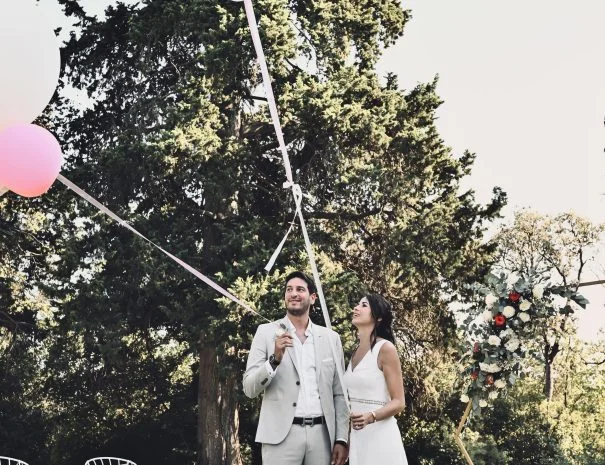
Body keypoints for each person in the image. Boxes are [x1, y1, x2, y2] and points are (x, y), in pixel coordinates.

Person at [243, 271, 349, 465]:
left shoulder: (331, 339)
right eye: (289, 290)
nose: (293, 294)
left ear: (313, 297)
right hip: (280, 438)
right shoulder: (266, 333)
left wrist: (342, 438)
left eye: (300, 289)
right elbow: (249, 389)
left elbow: (340, 393)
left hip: (322, 438)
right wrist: (274, 360)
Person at [344, 293, 408, 465]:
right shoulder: (354, 352)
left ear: (378, 317)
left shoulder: (385, 349)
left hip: (381, 437)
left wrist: (371, 416)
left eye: (364, 305)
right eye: (357, 304)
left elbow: (399, 401)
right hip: (358, 438)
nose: (356, 308)